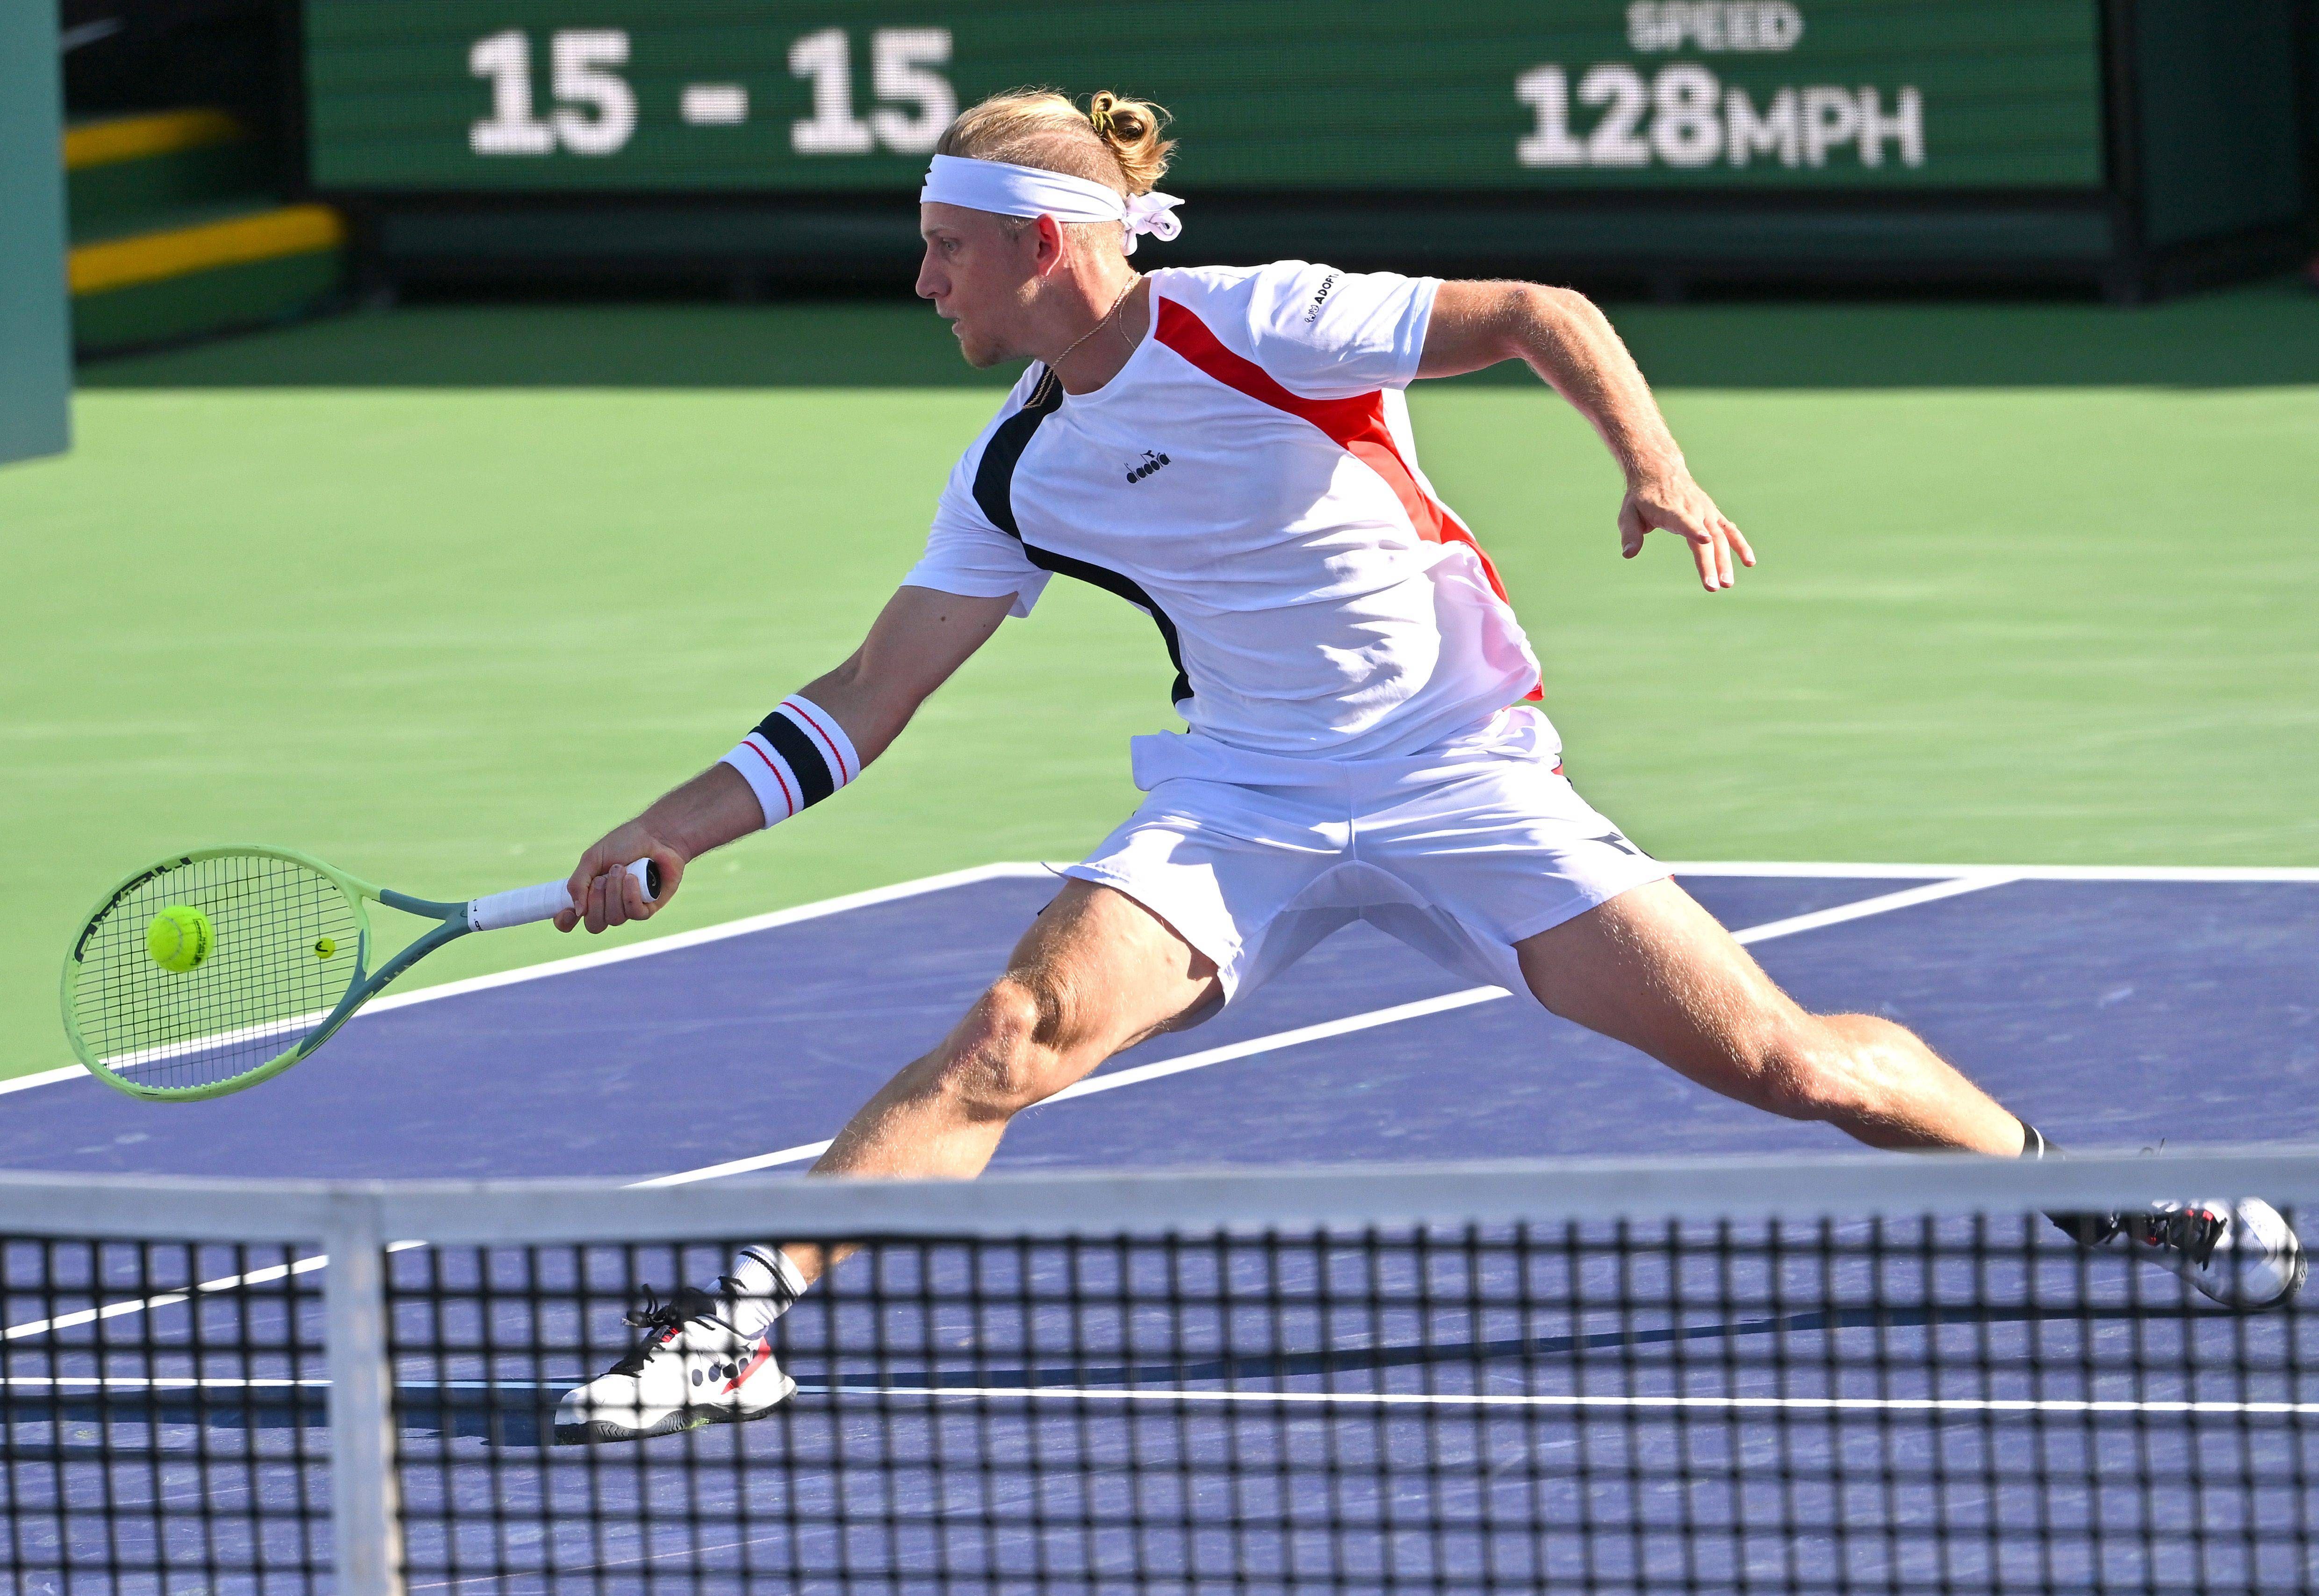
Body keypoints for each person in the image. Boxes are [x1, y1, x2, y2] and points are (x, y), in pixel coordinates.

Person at [548, 90, 2303, 1445]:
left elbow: (1540, 308)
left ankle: (2089, 1188)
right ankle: (732, 1325)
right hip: (1242, 802)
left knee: (1788, 1063)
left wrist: (1654, 466)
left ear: (1046, 245)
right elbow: (868, 692)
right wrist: (673, 827)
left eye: (943, 246)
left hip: (1465, 777)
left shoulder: (1265, 317)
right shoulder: (1020, 469)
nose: (919, 280)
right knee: (1010, 1038)